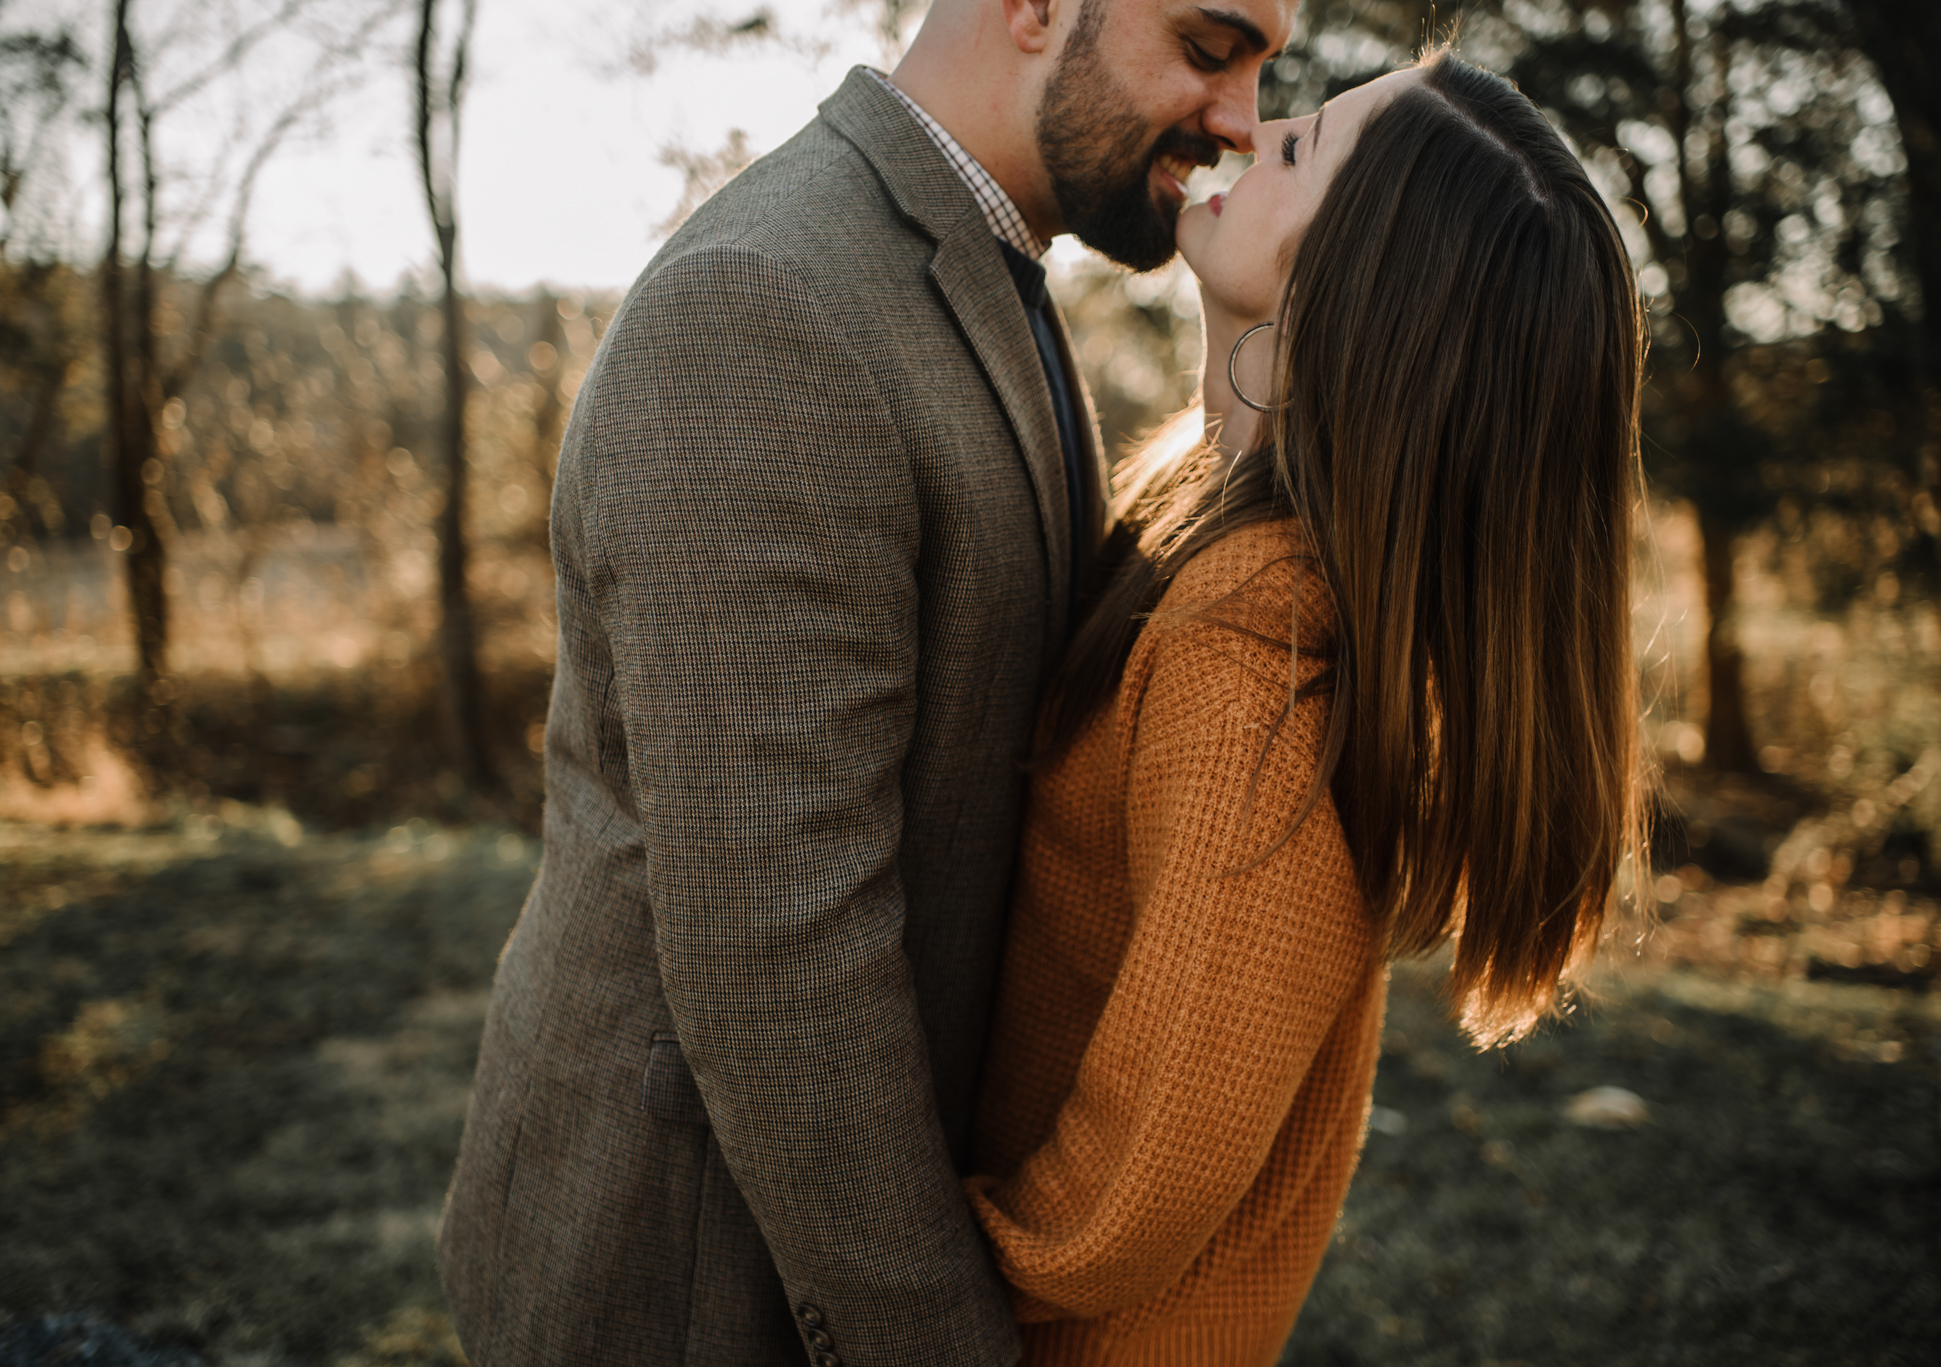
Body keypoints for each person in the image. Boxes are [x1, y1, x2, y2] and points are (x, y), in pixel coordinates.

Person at [434, 0, 1296, 1361]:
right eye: (1209, 45)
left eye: (1264, 67)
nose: (1245, 118)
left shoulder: (987, 269)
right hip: (690, 1275)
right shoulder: (768, 301)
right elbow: (780, 945)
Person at [961, 49, 1650, 1365]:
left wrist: (908, 1264)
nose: (1256, 129)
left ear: (1354, 297)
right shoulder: (1199, 507)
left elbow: (1157, 1154)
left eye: (1303, 150)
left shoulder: (1258, 641)